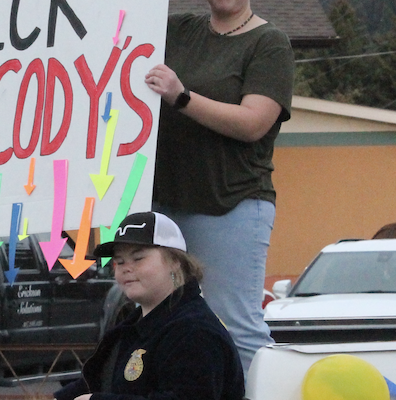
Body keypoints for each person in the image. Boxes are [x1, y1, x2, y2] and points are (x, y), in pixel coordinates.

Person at [143, 0, 295, 374]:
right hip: (162, 204)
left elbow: (253, 123)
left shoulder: (269, 43)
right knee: (156, 322)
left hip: (230, 202)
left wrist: (181, 97)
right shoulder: (176, 29)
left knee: (234, 327)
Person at [54, 212, 244, 400]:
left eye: (138, 258)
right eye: (119, 261)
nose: (126, 268)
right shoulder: (137, 326)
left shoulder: (195, 331)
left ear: (175, 261)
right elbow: (100, 380)